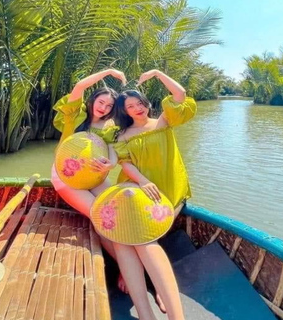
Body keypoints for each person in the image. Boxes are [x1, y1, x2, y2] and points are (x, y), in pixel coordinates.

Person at [113, 69, 197, 320]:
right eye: (131, 106)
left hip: (170, 189)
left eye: (140, 103)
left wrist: (157, 73)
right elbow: (125, 164)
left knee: (150, 231)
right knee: (128, 229)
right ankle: (148, 283)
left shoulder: (164, 121)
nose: (138, 108)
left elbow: (180, 94)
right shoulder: (122, 135)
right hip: (138, 187)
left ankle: (152, 285)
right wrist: (143, 181)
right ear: (124, 111)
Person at [51, 68, 130, 291]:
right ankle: (125, 267)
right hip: (65, 176)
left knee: (118, 210)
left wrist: (111, 164)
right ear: (94, 99)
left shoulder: (109, 127)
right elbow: (79, 87)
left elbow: (114, 152)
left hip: (94, 177)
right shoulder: (74, 116)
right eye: (101, 102)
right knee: (101, 215)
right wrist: (109, 71)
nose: (103, 108)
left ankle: (134, 261)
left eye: (108, 106)